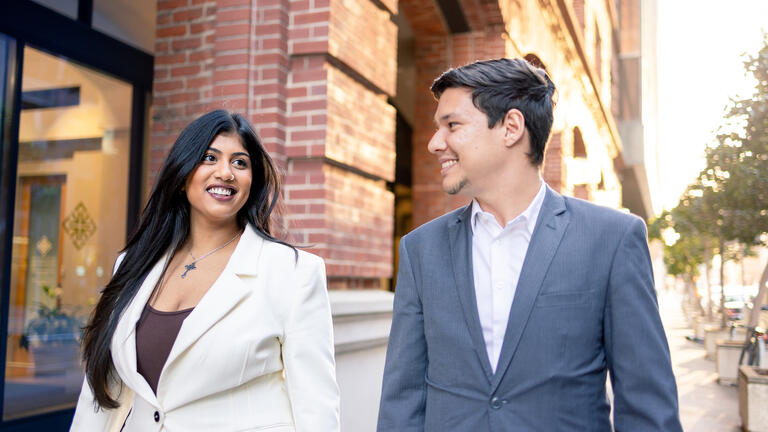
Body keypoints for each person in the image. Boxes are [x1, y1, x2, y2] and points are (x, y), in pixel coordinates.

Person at [377, 58, 681, 431]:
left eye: (452, 125)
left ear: (511, 127)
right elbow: (402, 400)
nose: (434, 143)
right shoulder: (419, 250)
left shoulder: (612, 240)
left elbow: (647, 406)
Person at [70, 110, 340, 431]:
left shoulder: (293, 273)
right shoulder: (133, 264)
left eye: (240, 163)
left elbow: (316, 409)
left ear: (251, 184)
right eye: (210, 158)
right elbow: (100, 394)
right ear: (183, 176)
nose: (225, 172)